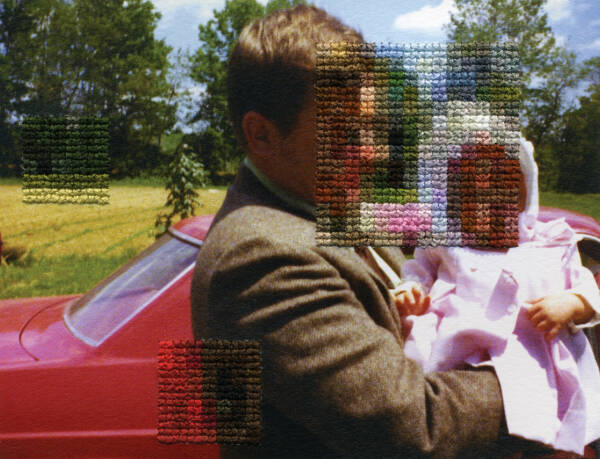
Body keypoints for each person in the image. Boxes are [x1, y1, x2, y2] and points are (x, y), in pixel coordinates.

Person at [190, 5, 564, 458]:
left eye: (372, 128)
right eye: (348, 134)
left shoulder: (328, 211)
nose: (374, 153)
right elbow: (417, 426)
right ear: (262, 135)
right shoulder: (261, 260)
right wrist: (560, 366)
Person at [394, 138, 600, 455]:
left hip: (544, 369)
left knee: (559, 442)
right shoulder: (447, 245)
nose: (491, 205)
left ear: (525, 195)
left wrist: (572, 304)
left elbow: (587, 289)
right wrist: (410, 292)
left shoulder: (552, 243)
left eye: (506, 194)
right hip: (461, 363)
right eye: (474, 196)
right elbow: (417, 273)